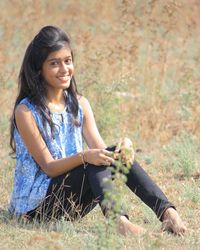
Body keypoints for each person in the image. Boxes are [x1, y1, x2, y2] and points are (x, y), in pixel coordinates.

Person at [9, 25, 186, 236]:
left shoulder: (80, 103)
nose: (64, 69)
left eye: (67, 61)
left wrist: (123, 148)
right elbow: (49, 167)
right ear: (40, 68)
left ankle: (168, 213)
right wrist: (86, 156)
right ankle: (119, 222)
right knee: (91, 161)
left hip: (71, 201)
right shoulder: (26, 111)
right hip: (36, 208)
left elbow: (102, 153)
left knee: (108, 157)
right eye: (54, 63)